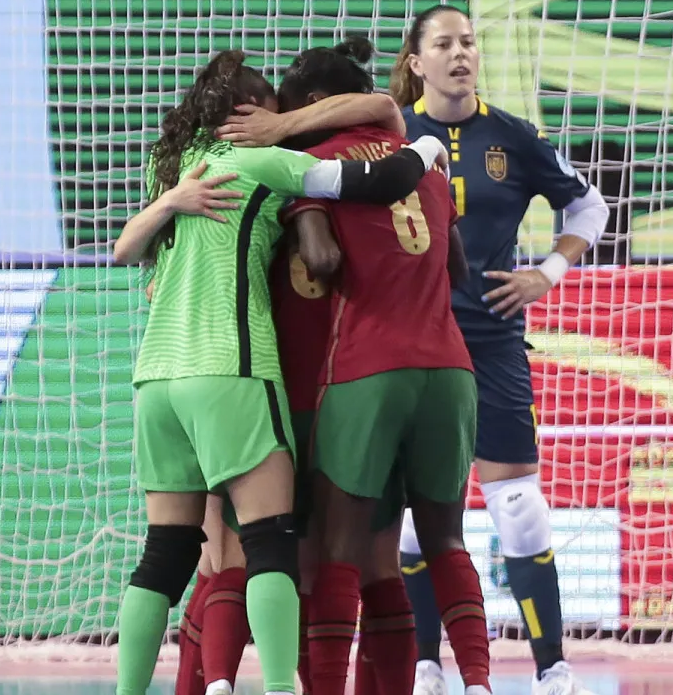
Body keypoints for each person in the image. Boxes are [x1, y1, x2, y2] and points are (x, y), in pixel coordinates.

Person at [109, 49, 447, 695]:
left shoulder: (175, 170)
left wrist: (170, 203)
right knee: (269, 542)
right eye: (274, 107)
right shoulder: (262, 162)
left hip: (156, 381)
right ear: (252, 113)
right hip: (230, 368)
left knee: (167, 554)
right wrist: (426, 149)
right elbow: (375, 185)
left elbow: (124, 248)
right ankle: (282, 691)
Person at [243, 35, 495, 695]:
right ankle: (480, 682)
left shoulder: (311, 168)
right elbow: (458, 269)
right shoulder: (428, 170)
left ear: (316, 106)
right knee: (445, 541)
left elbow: (322, 263)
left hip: (363, 371)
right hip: (450, 369)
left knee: (334, 552)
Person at [392, 5, 608, 695]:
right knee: (413, 512)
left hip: (490, 338)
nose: (461, 54)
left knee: (517, 505)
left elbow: (589, 209)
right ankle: (425, 662)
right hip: (410, 341)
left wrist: (547, 273)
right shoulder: (389, 135)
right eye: (444, 44)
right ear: (416, 62)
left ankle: (553, 668)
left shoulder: (512, 136)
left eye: (469, 42)